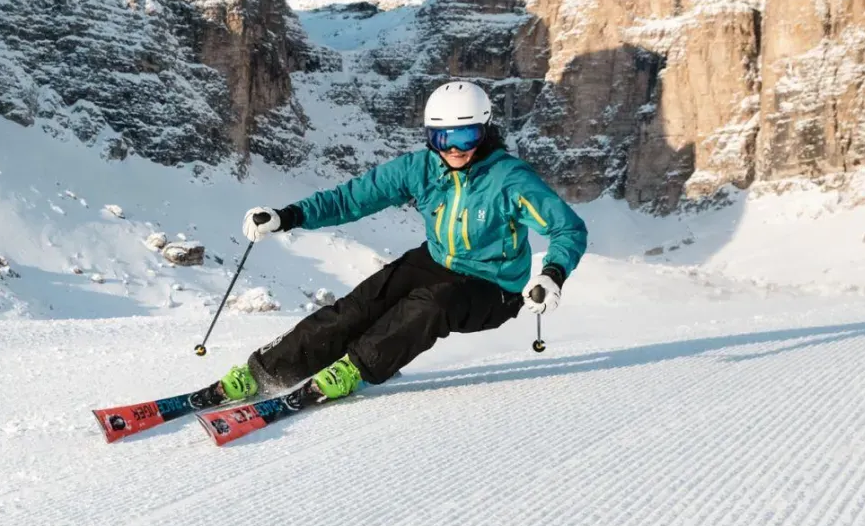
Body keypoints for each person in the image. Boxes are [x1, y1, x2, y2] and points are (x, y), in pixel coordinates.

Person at [209, 80, 588, 405]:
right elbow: (352, 198)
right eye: (443, 138)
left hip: (494, 286)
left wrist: (552, 274)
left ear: (486, 130)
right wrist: (287, 216)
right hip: (437, 260)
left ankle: (354, 369)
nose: (454, 149)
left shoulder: (510, 179)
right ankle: (266, 372)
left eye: (466, 137)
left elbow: (567, 229)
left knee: (430, 305)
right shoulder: (421, 169)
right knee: (359, 306)